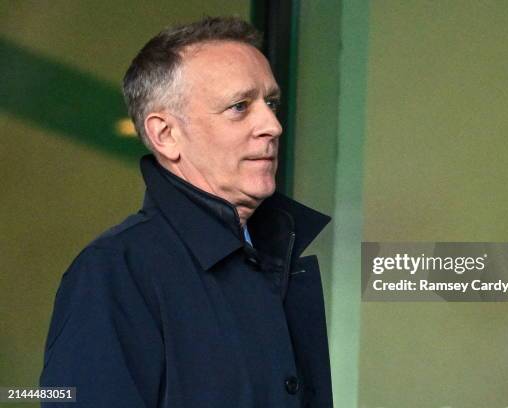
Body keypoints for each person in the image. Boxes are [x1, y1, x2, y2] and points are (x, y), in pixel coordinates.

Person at [40, 16, 333, 408]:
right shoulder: (114, 272)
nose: (272, 125)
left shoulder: (274, 256)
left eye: (272, 103)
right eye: (239, 106)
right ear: (166, 135)